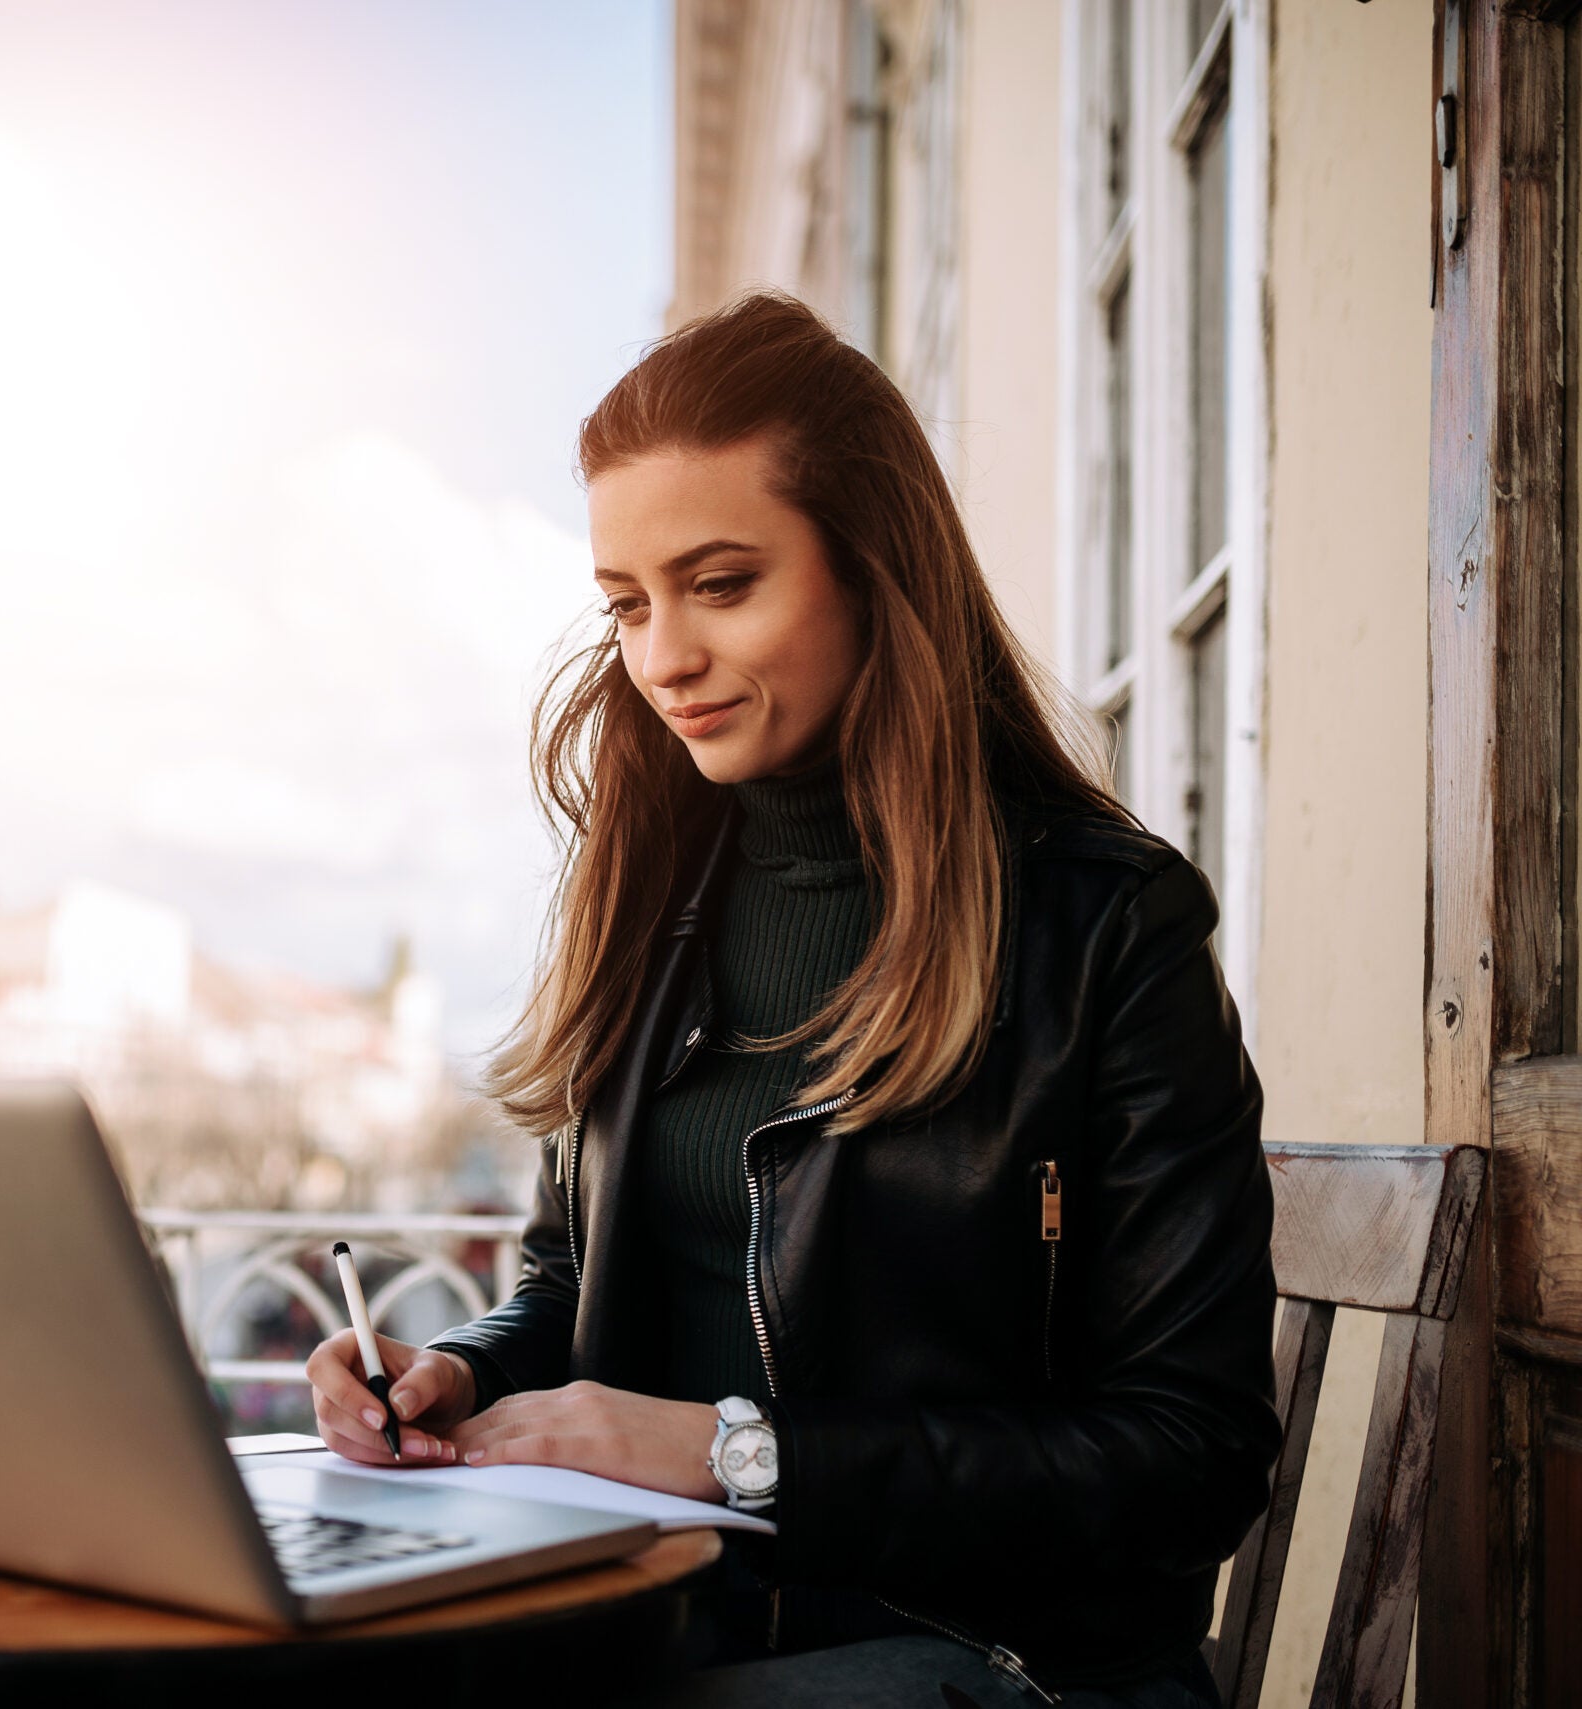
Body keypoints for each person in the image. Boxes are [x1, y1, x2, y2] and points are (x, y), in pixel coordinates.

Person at [305, 293, 1276, 1707]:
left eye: (721, 583)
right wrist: (449, 1371)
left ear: (873, 569)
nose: (661, 659)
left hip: (1003, 1661)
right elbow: (578, 1285)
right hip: (671, 1627)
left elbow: (1188, 1456)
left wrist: (732, 1451)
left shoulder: (1104, 926)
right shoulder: (648, 898)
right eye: (627, 604)